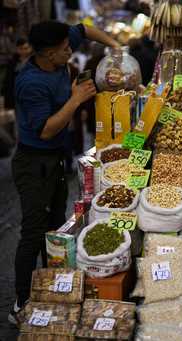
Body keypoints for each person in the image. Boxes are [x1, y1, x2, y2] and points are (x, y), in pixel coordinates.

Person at [9, 20, 119, 324]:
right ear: (46, 54)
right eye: (64, 50)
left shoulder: (59, 43)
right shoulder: (30, 83)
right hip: (34, 163)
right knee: (33, 232)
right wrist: (76, 99)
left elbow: (84, 29)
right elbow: (46, 130)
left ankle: (54, 290)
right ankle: (20, 303)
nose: (70, 50)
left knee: (56, 231)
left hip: (57, 159)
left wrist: (114, 45)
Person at [1, 38, 32, 110]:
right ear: (18, 49)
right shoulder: (13, 62)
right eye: (21, 49)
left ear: (30, 48)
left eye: (26, 48)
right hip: (16, 95)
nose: (24, 51)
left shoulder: (33, 61)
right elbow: (8, 80)